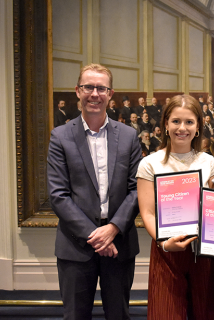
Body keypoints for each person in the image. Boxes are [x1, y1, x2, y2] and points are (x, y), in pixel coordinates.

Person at [47, 63, 142, 319]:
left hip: (119, 244)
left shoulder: (129, 136)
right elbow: (58, 195)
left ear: (110, 94)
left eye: (101, 88)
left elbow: (136, 191)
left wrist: (112, 230)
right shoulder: (60, 137)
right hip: (75, 247)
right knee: (76, 316)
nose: (95, 94)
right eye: (88, 87)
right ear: (77, 91)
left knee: (118, 315)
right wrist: (96, 236)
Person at [137, 95, 214, 320]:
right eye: (176, 121)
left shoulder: (208, 162)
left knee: (206, 314)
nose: (182, 128)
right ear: (165, 124)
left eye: (189, 122)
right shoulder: (150, 163)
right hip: (167, 253)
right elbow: (148, 213)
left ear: (198, 126)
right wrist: (164, 244)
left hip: (203, 253)